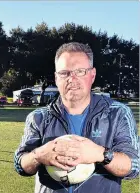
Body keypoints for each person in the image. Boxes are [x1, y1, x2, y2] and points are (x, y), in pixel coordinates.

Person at [13, 42, 139, 193]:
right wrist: (39, 155)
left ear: (92, 75)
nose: (72, 79)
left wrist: (100, 154)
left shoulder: (117, 113)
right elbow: (20, 165)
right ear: (56, 78)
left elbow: (134, 167)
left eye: (80, 71)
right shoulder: (38, 117)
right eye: (64, 73)